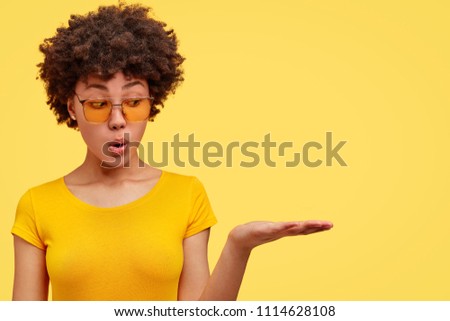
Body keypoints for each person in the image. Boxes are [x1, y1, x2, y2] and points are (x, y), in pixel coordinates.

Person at [11, 3, 333, 301]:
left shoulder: (187, 195)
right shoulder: (38, 205)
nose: (118, 121)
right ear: (71, 107)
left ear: (151, 105)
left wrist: (239, 246)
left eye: (134, 103)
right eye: (98, 104)